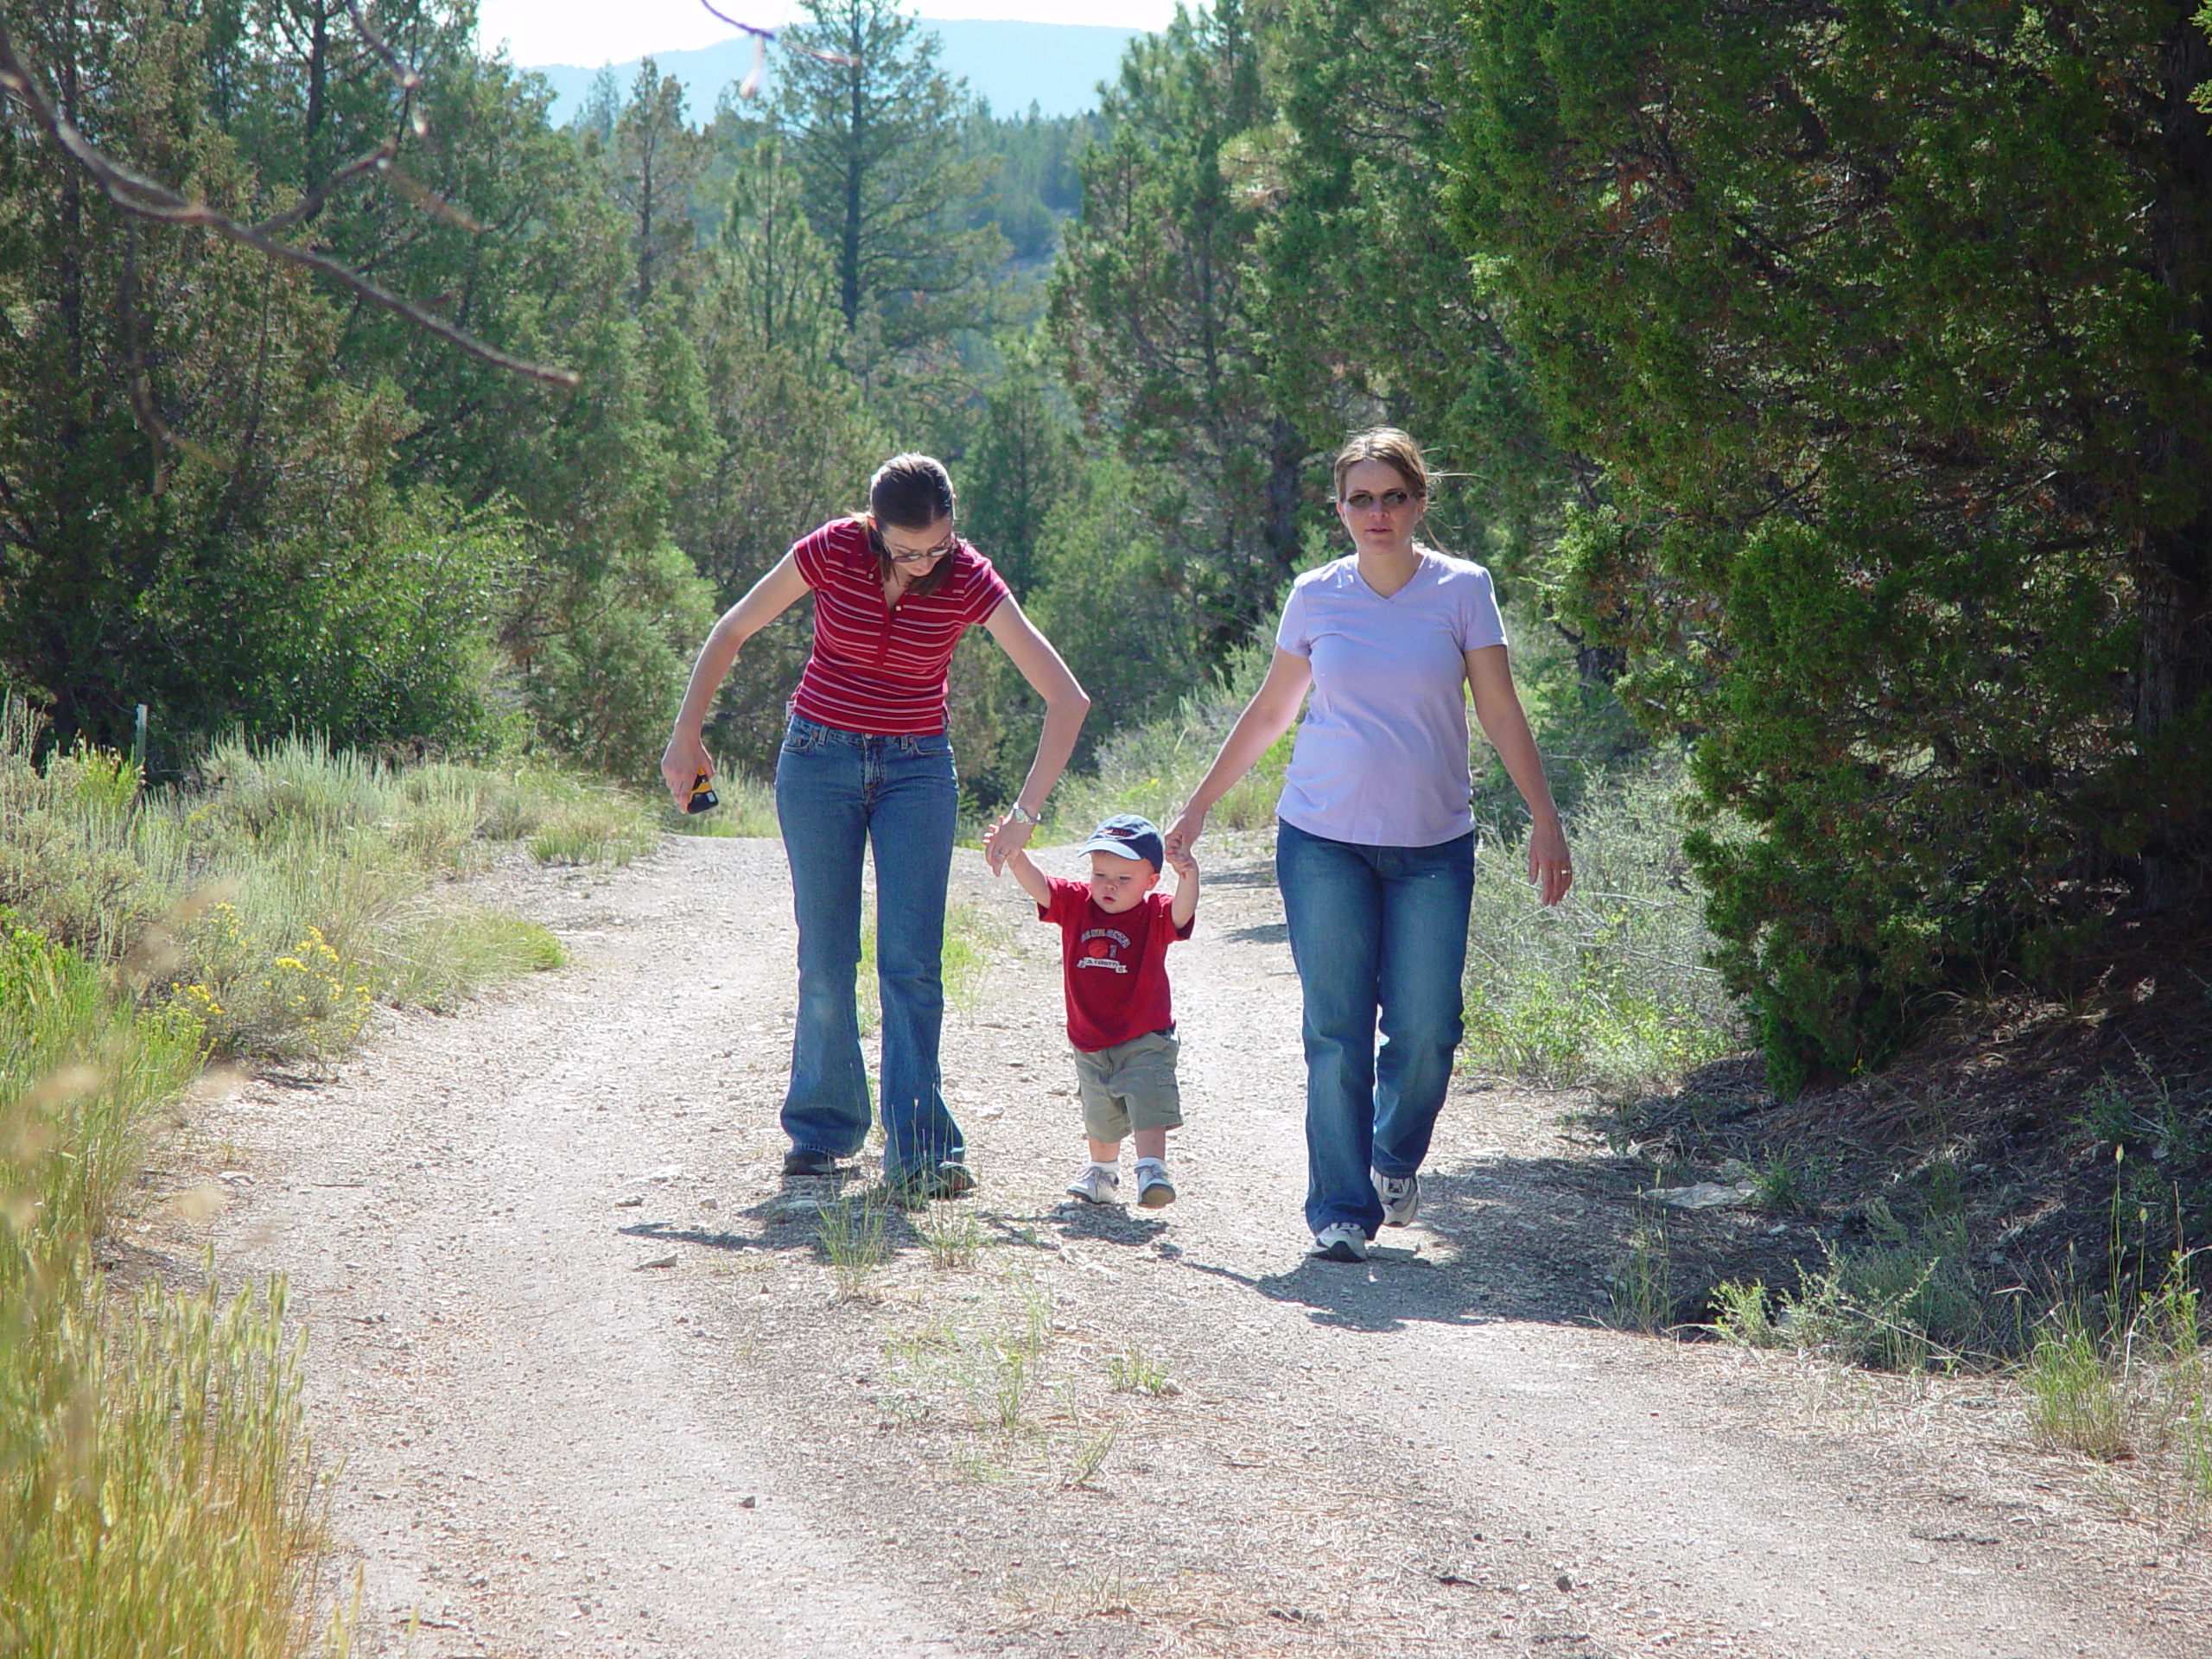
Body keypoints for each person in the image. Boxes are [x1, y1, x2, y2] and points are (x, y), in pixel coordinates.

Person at [1163, 428, 1571, 1262]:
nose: (1377, 513)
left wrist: (1545, 815)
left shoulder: (1464, 590)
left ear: (1420, 503)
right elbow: (1273, 712)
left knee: (1427, 1031)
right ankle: (1340, 1208)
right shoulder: (1317, 595)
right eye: (1361, 498)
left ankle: (1392, 1158)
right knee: (1337, 1028)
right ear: (1340, 508)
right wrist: (1200, 806)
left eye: (1393, 497)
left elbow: (1498, 710)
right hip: (1322, 840)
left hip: (1433, 846)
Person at [661, 454, 1089, 1201]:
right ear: (873, 526)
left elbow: (1067, 698)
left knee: (911, 964)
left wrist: (1024, 816)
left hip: (918, 771)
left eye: (938, 546)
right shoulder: (832, 549)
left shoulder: (971, 578)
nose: (924, 564)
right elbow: (733, 630)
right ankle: (823, 1135)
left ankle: (922, 1148)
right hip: (817, 759)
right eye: (906, 549)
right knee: (826, 956)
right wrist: (685, 735)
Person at [1006, 814, 1198, 1210]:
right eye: (1099, 874)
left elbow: (1182, 913)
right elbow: (1041, 887)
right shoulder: (1078, 903)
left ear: (1151, 882)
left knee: (1147, 1099)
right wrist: (1015, 855)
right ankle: (1102, 1172)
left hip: (1144, 1034)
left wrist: (1188, 876)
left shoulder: (1154, 913)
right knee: (1099, 1110)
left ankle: (1151, 1169)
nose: (1108, 885)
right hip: (1089, 1036)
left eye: (1124, 878)